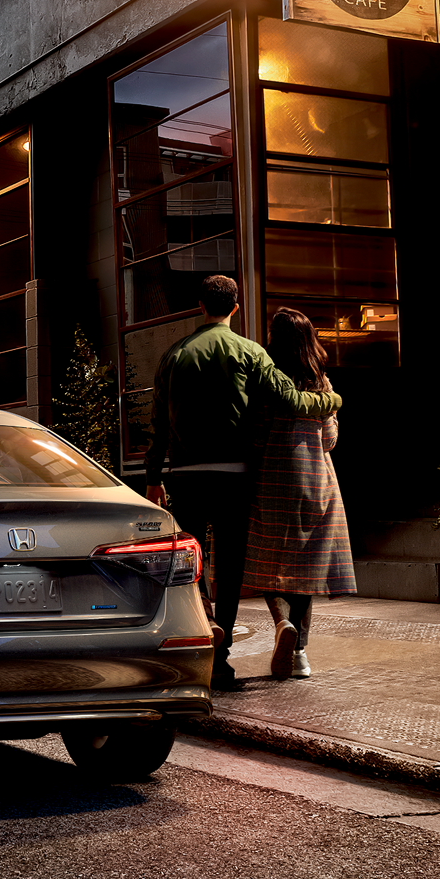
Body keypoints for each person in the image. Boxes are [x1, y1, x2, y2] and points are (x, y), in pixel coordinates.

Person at [143, 275, 343, 693]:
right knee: (230, 566)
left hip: (186, 476)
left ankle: (206, 621)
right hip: (235, 474)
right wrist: (333, 400)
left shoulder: (173, 356)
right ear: (236, 308)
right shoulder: (251, 352)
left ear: (200, 305)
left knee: (192, 561)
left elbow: (158, 425)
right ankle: (222, 664)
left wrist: (153, 478)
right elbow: (291, 400)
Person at [243, 308, 356, 680]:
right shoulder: (320, 381)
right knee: (305, 568)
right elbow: (329, 439)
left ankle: (281, 624)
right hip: (316, 481)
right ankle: (301, 654)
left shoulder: (265, 379)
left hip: (272, 480)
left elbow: (255, 436)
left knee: (266, 562)